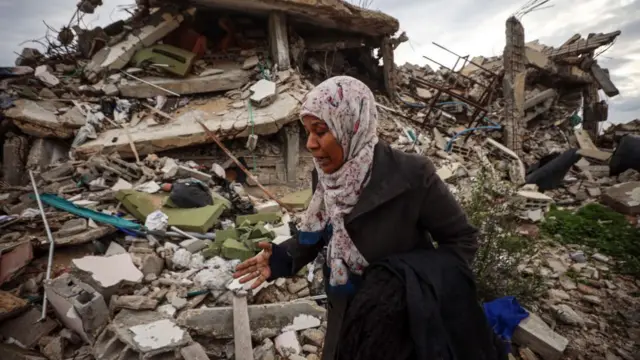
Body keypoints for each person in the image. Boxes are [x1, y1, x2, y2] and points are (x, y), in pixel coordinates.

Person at [233, 76, 480, 360]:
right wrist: (280, 258)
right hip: (345, 314)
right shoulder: (328, 177)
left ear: (351, 124)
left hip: (402, 323)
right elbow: (327, 232)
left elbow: (462, 240)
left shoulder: (412, 175)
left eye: (321, 131)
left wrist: (404, 285)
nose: (311, 144)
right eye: (308, 132)